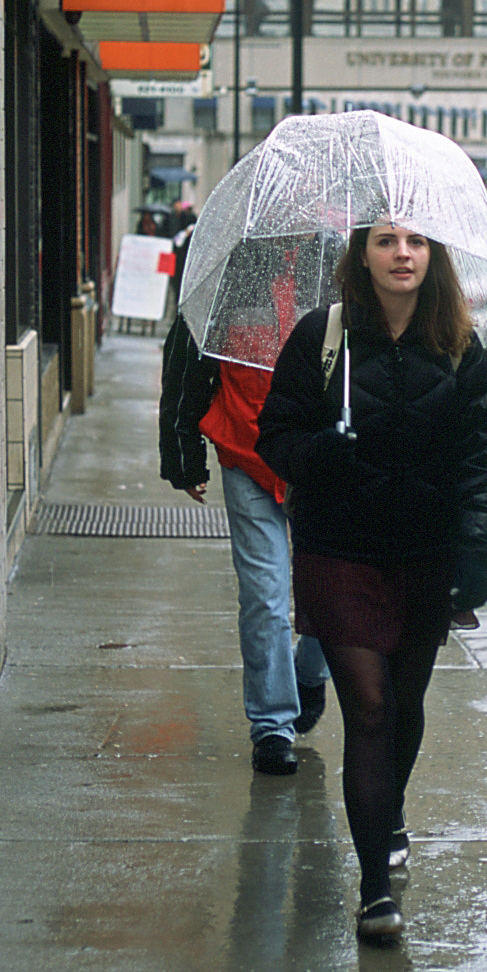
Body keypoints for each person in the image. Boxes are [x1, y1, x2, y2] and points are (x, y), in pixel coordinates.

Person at [257, 222, 487, 945]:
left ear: (435, 259)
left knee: (403, 701)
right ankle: (373, 890)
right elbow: (276, 433)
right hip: (339, 552)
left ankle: (388, 808)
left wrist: (477, 556)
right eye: (387, 241)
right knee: (366, 708)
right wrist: (317, 457)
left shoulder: (460, 346)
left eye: (417, 242)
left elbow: (485, 461)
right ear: (361, 255)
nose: (403, 254)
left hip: (426, 558)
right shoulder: (322, 337)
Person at [159, 316, 330, 777]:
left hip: (318, 457)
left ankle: (310, 672)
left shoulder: (338, 274)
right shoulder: (232, 277)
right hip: (245, 451)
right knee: (264, 593)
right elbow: (186, 364)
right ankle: (273, 725)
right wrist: (183, 452)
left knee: (327, 584)